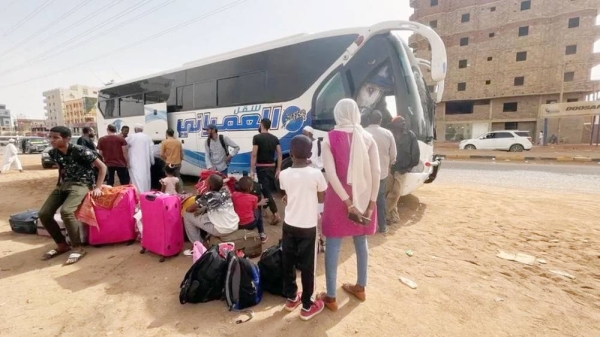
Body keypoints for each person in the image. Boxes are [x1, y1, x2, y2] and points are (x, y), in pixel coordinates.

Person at [319, 99, 381, 311]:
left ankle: (331, 296)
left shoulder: (330, 137)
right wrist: (372, 203)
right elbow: (377, 173)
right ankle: (361, 287)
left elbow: (331, 174)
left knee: (333, 245)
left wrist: (346, 202)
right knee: (361, 241)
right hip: (364, 198)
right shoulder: (368, 137)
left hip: (338, 199)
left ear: (338, 114)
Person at [38, 126, 107, 265]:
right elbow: (62, 167)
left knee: (66, 211)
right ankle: (62, 245)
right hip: (64, 185)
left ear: (67, 138)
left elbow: (102, 167)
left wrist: (98, 187)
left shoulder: (81, 151)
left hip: (82, 184)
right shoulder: (54, 153)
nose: (52, 140)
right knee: (44, 214)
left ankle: (77, 248)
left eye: (55, 137)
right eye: (50, 137)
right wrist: (60, 183)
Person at [279, 134, 327, 320]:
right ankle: (307, 305)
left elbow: (288, 194)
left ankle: (291, 297)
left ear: (290, 153)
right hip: (308, 226)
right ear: (310, 153)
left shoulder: (284, 174)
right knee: (308, 266)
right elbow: (321, 198)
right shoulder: (316, 174)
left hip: (289, 224)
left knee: (288, 261)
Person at [365, 110, 397, 234]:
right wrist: (390, 163)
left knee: (364, 198)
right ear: (381, 120)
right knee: (380, 199)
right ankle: (382, 226)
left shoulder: (362, 132)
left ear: (368, 120)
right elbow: (393, 155)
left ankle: (364, 225)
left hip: (364, 173)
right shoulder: (387, 133)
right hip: (382, 173)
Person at [183, 174, 239, 242]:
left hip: (221, 230)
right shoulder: (226, 191)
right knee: (205, 213)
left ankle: (197, 244)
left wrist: (196, 208)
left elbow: (189, 209)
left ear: (209, 186)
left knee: (186, 215)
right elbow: (215, 202)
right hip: (234, 225)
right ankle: (207, 237)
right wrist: (203, 208)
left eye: (206, 183)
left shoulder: (209, 195)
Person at [385, 116, 420, 226]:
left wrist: (408, 168)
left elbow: (415, 153)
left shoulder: (410, 135)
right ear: (394, 124)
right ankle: (393, 217)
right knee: (388, 192)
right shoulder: (389, 134)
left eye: (404, 121)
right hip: (390, 168)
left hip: (402, 169)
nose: (404, 123)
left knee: (396, 193)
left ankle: (381, 214)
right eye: (401, 122)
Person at [250, 118, 282, 225]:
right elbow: (279, 153)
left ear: (262, 125)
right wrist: (278, 168)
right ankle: (264, 210)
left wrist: (252, 170)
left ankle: (276, 213)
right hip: (272, 167)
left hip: (262, 168)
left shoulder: (257, 138)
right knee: (267, 189)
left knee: (266, 191)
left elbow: (254, 154)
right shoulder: (275, 138)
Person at [232, 176, 268, 243]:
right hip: (250, 224)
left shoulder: (234, 195)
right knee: (258, 211)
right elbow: (254, 208)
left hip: (237, 223)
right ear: (251, 188)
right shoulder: (254, 198)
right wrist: (259, 203)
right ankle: (261, 233)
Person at [127, 124, 154, 193]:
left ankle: (137, 193)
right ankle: (145, 192)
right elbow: (151, 150)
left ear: (135, 130)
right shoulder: (148, 137)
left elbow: (125, 145)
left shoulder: (131, 137)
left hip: (134, 161)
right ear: (142, 130)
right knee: (145, 177)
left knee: (135, 177)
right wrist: (152, 161)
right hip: (145, 161)